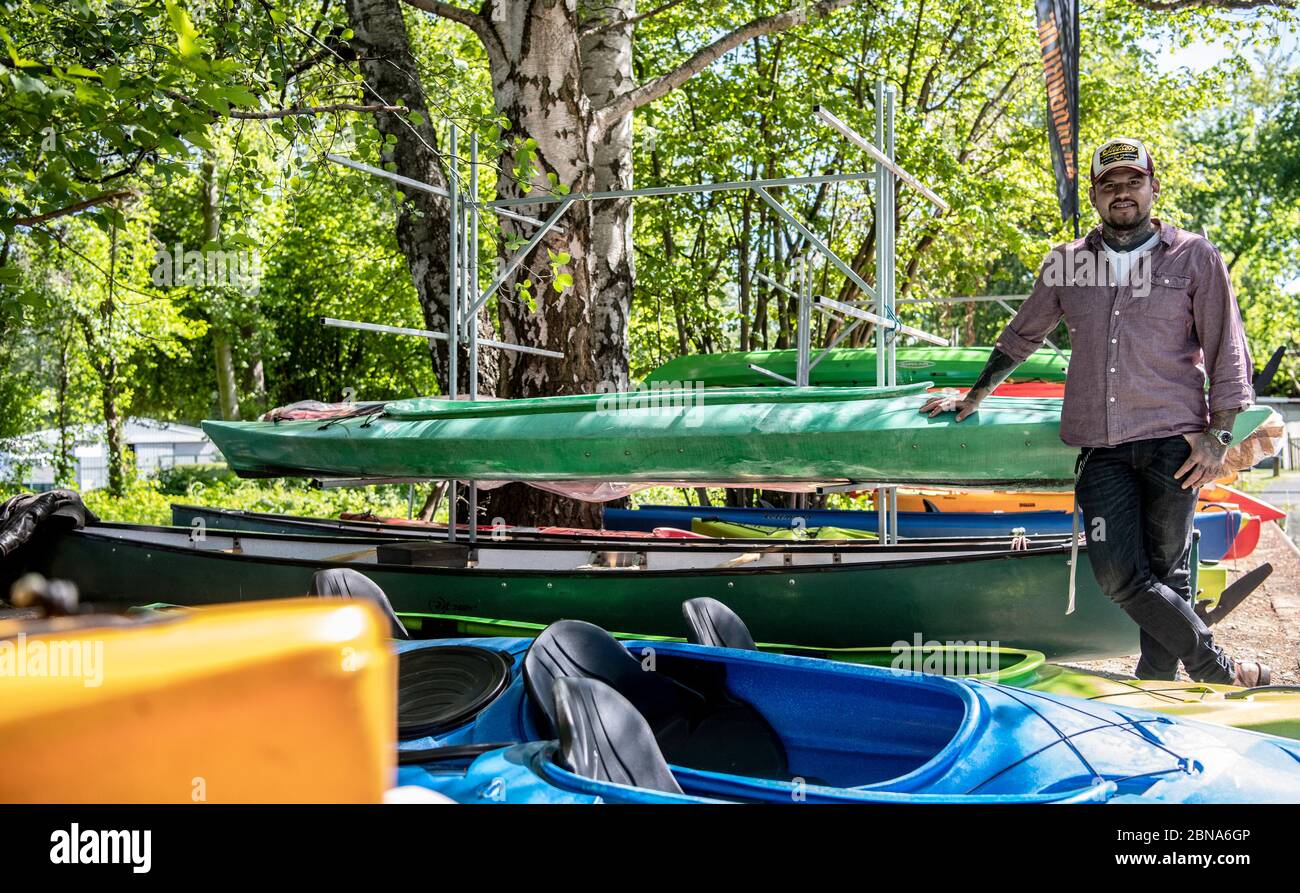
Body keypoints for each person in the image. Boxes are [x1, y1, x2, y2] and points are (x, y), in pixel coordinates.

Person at [919, 137, 1269, 686]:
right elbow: (1021, 335)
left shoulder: (1194, 256)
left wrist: (1218, 438)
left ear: (1155, 188)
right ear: (1094, 195)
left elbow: (1229, 349)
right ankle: (1218, 670)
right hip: (1100, 448)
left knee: (1167, 571)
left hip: (1174, 443)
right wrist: (975, 395)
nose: (1122, 192)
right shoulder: (1066, 264)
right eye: (1109, 184)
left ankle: (1157, 681)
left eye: (1133, 181)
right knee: (1118, 576)